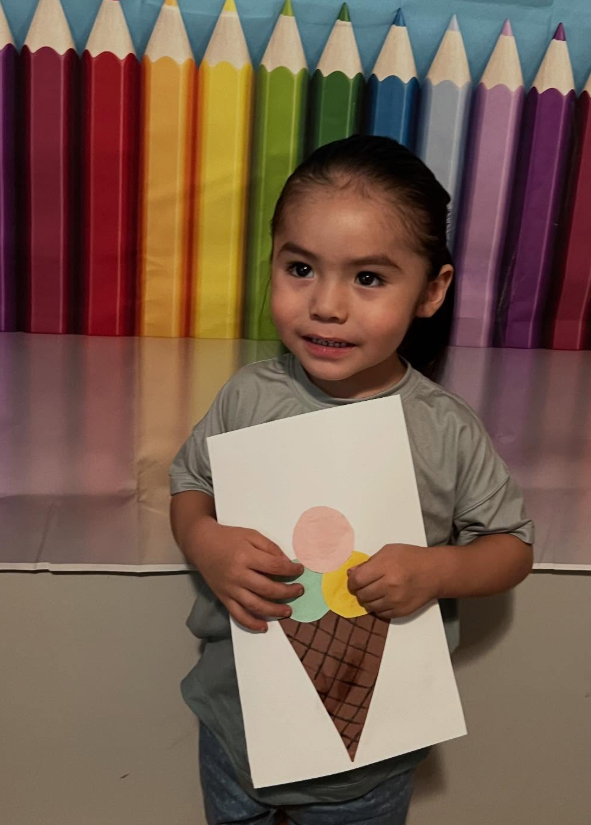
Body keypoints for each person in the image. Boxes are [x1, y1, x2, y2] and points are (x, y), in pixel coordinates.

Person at [169, 135, 535, 825]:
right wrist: (204, 540)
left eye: (368, 278)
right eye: (300, 267)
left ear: (431, 290)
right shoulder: (247, 396)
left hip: (370, 760)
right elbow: (189, 481)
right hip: (235, 727)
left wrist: (437, 570)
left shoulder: (445, 428)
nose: (327, 305)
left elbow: (511, 546)